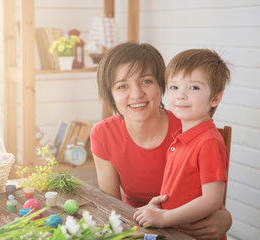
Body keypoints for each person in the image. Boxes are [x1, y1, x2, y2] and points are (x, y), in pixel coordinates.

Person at [90, 42, 232, 240]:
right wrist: (143, 215)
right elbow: (110, 209)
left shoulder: (190, 126)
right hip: (139, 228)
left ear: (161, 87)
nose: (137, 94)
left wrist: (226, 218)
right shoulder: (103, 133)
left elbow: (211, 200)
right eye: (122, 86)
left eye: (146, 81)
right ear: (111, 95)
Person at [133, 49, 230, 240]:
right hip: (172, 231)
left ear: (215, 98)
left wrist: (164, 218)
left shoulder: (208, 142)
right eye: (174, 87)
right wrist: (157, 211)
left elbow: (211, 200)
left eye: (193, 88)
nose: (181, 95)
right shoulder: (181, 139)